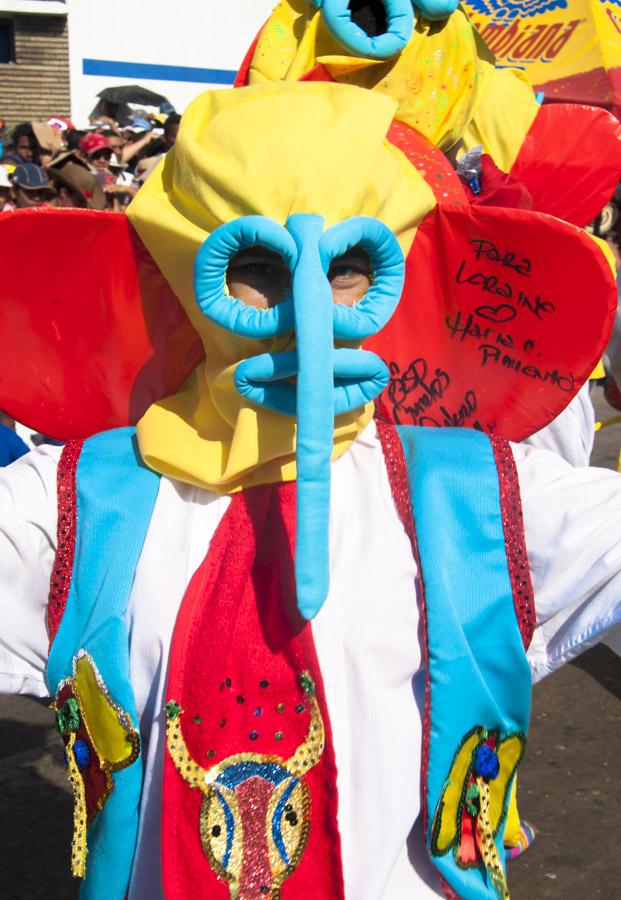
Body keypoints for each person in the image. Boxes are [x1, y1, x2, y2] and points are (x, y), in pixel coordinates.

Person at [0, 82, 620, 900]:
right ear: (186, 268)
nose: (311, 316)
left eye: (350, 268)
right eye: (256, 269)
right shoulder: (69, 501)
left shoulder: (485, 498)